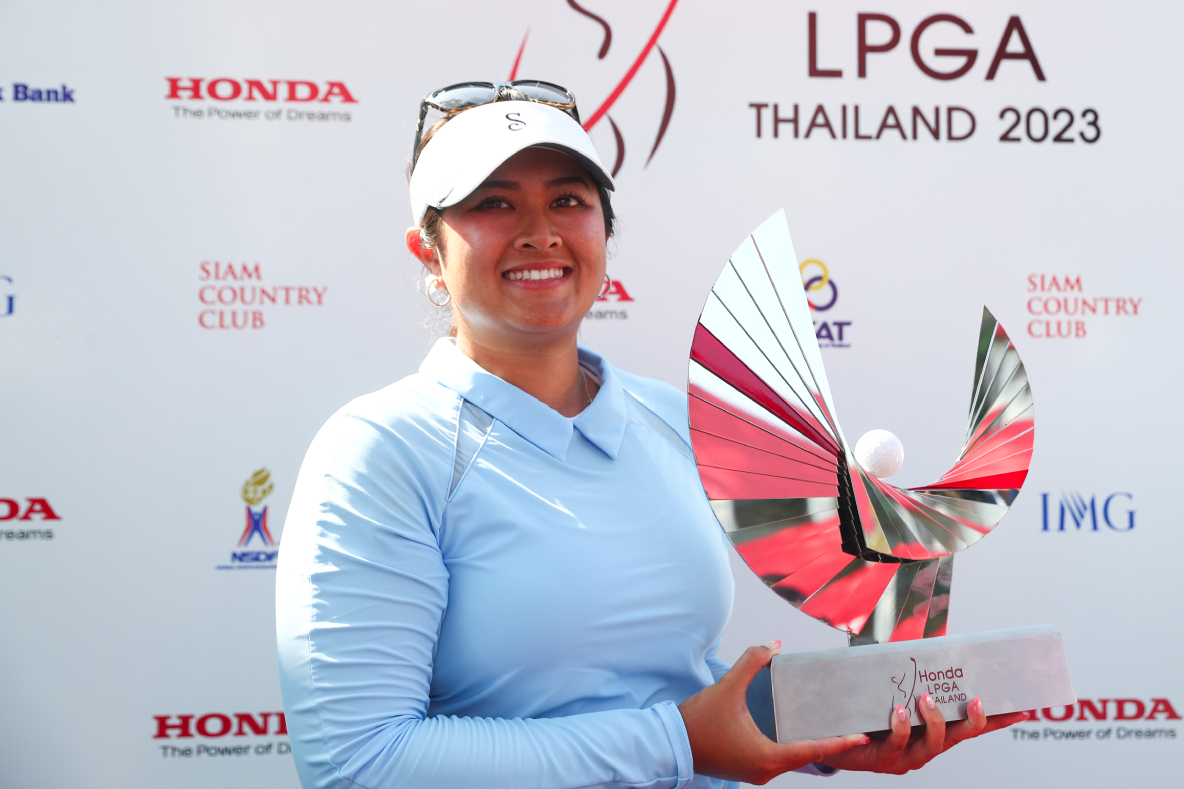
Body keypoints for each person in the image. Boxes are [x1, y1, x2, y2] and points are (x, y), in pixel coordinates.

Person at [275, 81, 1023, 789]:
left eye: (568, 200)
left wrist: (835, 723)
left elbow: (671, 682)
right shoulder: (379, 450)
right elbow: (358, 763)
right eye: (493, 203)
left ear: (604, 232)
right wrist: (679, 741)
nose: (539, 232)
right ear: (429, 253)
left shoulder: (668, 417)